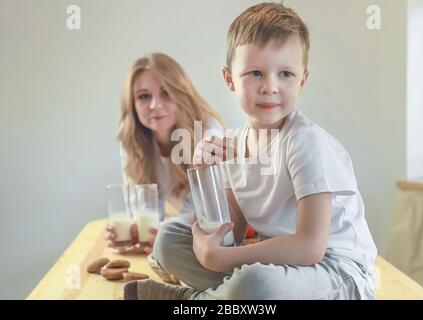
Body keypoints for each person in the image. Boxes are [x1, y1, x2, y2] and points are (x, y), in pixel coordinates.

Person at [124, 3, 377, 299]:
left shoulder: (305, 142)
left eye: (285, 74)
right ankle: (227, 296)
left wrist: (216, 258)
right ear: (229, 79)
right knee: (168, 240)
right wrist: (204, 172)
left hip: (337, 272)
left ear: (302, 80)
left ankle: (189, 299)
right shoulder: (234, 143)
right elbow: (232, 234)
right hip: (280, 265)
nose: (270, 86)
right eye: (255, 73)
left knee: (256, 283)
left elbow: (310, 248)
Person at [105, 52, 224, 254]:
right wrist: (135, 230)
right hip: (177, 236)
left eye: (166, 92)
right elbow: (141, 208)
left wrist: (158, 233)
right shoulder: (132, 140)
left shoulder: (207, 132)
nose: (155, 105)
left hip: (221, 237)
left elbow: (202, 211)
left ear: (181, 94)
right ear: (132, 104)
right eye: (144, 96)